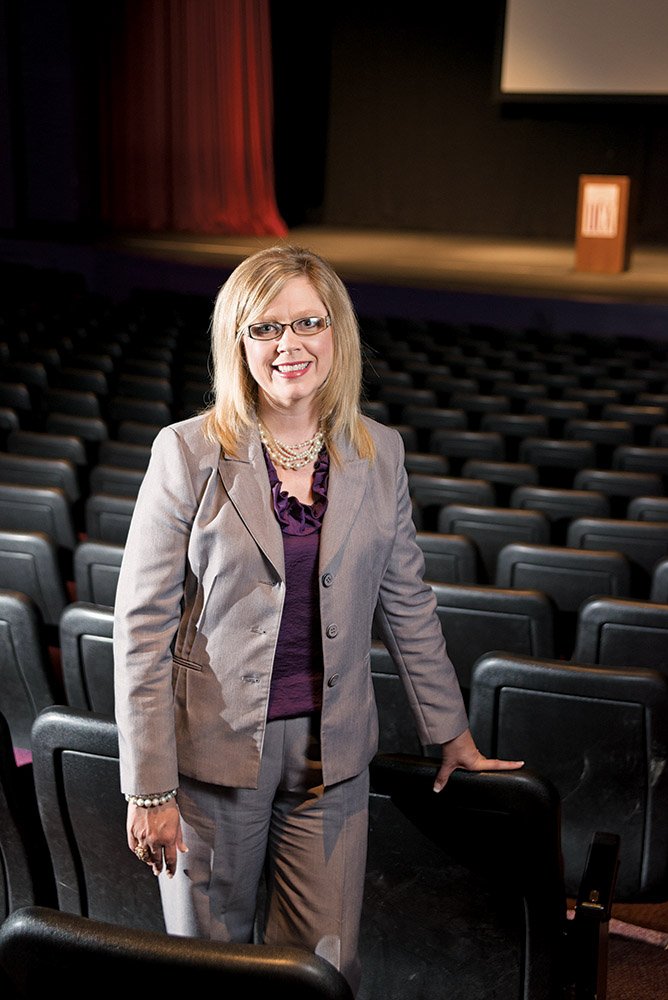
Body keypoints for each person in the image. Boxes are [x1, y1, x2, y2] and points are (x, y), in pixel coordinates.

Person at [113, 244, 523, 995]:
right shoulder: (188, 452)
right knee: (213, 968)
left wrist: (450, 731)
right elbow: (139, 626)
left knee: (325, 971)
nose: (289, 345)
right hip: (212, 757)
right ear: (237, 341)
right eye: (265, 328)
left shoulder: (380, 452)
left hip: (331, 756)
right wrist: (149, 788)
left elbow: (406, 600)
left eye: (307, 322)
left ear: (338, 332)